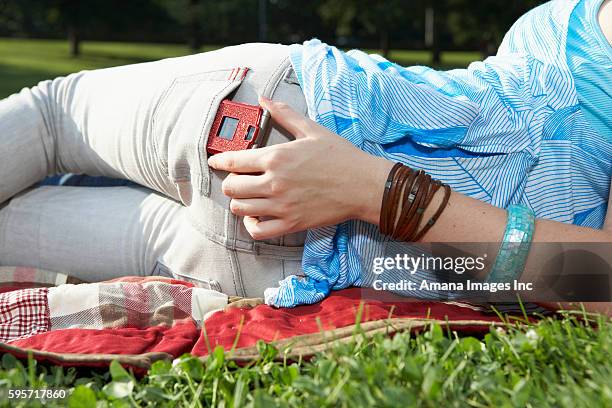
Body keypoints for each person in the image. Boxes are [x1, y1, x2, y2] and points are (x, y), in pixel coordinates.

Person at [0, 0, 610, 314]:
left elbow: (603, 278)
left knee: (54, 118)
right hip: (293, 263)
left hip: (294, 123)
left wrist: (379, 190)